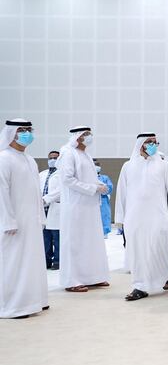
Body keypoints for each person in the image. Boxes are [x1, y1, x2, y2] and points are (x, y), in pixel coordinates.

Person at [115, 133, 168, 301]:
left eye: (155, 142)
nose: (153, 145)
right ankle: (139, 286)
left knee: (159, 246)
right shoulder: (128, 166)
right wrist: (120, 218)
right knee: (137, 251)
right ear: (140, 145)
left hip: (157, 214)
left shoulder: (163, 166)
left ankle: (167, 272)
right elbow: (121, 193)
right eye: (149, 142)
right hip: (134, 216)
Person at [0, 120, 49, 318]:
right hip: (13, 223)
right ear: (11, 133)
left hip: (32, 220)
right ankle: (14, 305)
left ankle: (34, 300)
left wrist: (41, 216)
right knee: (14, 262)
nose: (27, 133)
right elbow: (1, 193)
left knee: (33, 260)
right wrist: (8, 220)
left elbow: (36, 193)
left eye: (29, 129)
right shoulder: (4, 158)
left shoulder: (30, 160)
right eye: (22, 130)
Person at [58, 126, 110, 293]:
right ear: (77, 136)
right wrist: (92, 188)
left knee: (91, 241)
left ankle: (92, 277)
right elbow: (67, 179)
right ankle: (73, 280)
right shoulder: (68, 153)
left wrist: (98, 185)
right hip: (75, 207)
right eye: (86, 134)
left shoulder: (86, 154)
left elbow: (89, 177)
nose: (89, 137)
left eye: (90, 134)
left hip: (90, 206)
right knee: (75, 242)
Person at [40, 150, 62, 270]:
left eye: (55, 158)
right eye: (50, 158)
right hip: (43, 210)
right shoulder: (42, 174)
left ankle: (57, 261)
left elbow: (60, 190)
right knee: (45, 239)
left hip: (55, 208)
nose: (52, 160)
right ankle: (46, 261)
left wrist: (46, 199)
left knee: (57, 238)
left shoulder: (63, 173)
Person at [94, 159, 113, 238]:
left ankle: (105, 232)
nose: (96, 167)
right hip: (91, 201)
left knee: (104, 215)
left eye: (97, 165)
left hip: (103, 200)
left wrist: (102, 189)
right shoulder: (86, 178)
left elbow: (109, 188)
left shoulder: (105, 178)